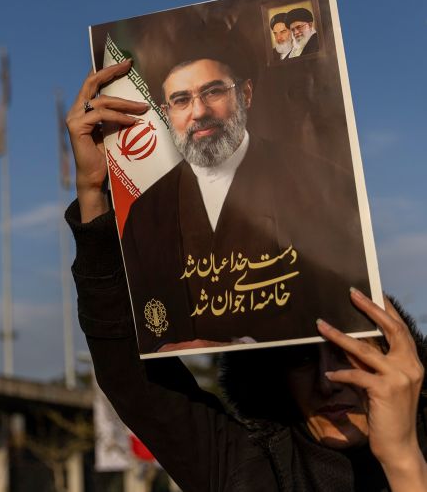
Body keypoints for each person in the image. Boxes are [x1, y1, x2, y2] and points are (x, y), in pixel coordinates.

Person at [65, 60, 427, 490]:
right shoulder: (247, 467)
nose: (329, 381)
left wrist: (404, 459)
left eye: (352, 353)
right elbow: (131, 379)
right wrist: (92, 194)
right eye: (303, 358)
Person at [118, 44, 370, 353]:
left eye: (213, 92)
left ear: (245, 95)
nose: (198, 112)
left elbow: (348, 310)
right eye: (181, 100)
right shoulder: (146, 214)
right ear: (167, 112)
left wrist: (244, 347)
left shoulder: (322, 184)